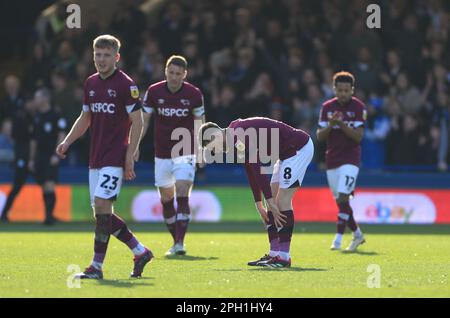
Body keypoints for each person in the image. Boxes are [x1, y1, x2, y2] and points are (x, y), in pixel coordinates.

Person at [56, 34, 153, 279]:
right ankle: (139, 250)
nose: (101, 59)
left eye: (107, 55)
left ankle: (96, 267)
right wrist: (67, 141)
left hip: (115, 155)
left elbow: (137, 121)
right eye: (98, 55)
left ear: (116, 57)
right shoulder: (90, 83)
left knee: (102, 206)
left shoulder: (125, 85)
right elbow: (85, 118)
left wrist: (131, 154)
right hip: (96, 157)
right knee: (102, 215)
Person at [198, 117, 314, 268]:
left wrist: (269, 200)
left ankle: (284, 258)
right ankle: (274, 254)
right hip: (286, 154)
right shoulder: (234, 135)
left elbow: (257, 167)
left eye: (211, 147)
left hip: (299, 149)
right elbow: (250, 169)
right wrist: (259, 202)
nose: (214, 151)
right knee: (271, 201)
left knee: (281, 201)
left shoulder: (236, 136)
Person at [142, 55, 205, 256]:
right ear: (165, 71)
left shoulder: (194, 94)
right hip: (161, 153)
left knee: (182, 192)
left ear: (185, 74)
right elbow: (144, 120)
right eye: (171, 73)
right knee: (166, 199)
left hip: (185, 150)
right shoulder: (153, 91)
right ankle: (175, 240)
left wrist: (202, 150)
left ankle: (179, 243)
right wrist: (132, 145)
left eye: (179, 74)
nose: (174, 77)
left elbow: (199, 123)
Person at [316, 71, 367, 252]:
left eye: (346, 90)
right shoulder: (327, 107)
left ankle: (337, 238)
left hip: (351, 159)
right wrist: (331, 125)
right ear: (334, 89)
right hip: (332, 159)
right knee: (341, 202)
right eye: (340, 90)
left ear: (352, 90)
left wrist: (341, 124)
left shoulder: (359, 107)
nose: (343, 94)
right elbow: (320, 136)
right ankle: (358, 235)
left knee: (344, 196)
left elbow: (359, 137)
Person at [29, 88, 67, 225]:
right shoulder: (37, 116)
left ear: (45, 99)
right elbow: (33, 139)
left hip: (51, 155)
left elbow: (61, 134)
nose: (35, 100)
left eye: (37, 97)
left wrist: (57, 154)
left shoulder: (56, 114)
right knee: (44, 186)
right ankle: (48, 214)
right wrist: (32, 159)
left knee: (50, 184)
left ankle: (49, 216)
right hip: (39, 156)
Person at [0, 96, 34, 223]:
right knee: (17, 186)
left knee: (45, 183)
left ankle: (49, 214)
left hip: (30, 158)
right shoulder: (21, 118)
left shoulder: (31, 117)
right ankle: (4, 214)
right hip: (22, 158)